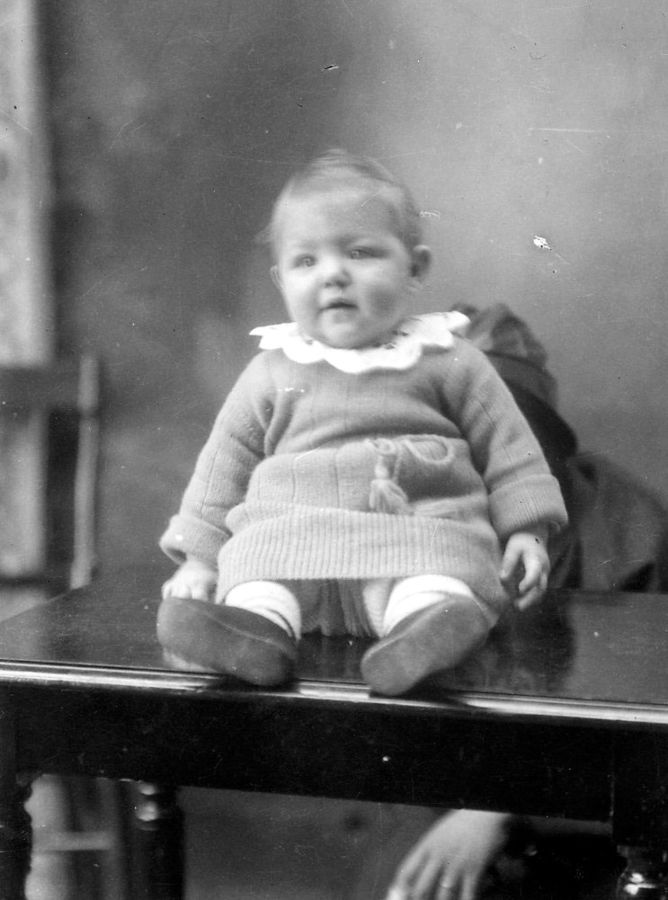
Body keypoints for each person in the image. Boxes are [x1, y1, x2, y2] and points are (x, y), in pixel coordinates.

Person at [156, 149, 567, 696]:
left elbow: (511, 451)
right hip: (290, 542)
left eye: (360, 252)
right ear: (281, 280)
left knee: (437, 582)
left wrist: (528, 530)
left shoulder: (450, 359)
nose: (333, 275)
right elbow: (222, 467)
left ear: (415, 268)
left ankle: (424, 634)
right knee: (258, 582)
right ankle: (252, 635)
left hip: (414, 538)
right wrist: (199, 561)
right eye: (306, 261)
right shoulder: (272, 370)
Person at [381, 303, 668, 900]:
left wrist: (499, 810)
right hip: (451, 805)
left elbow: (644, 742)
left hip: (606, 825)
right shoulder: (419, 520)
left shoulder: (631, 532)